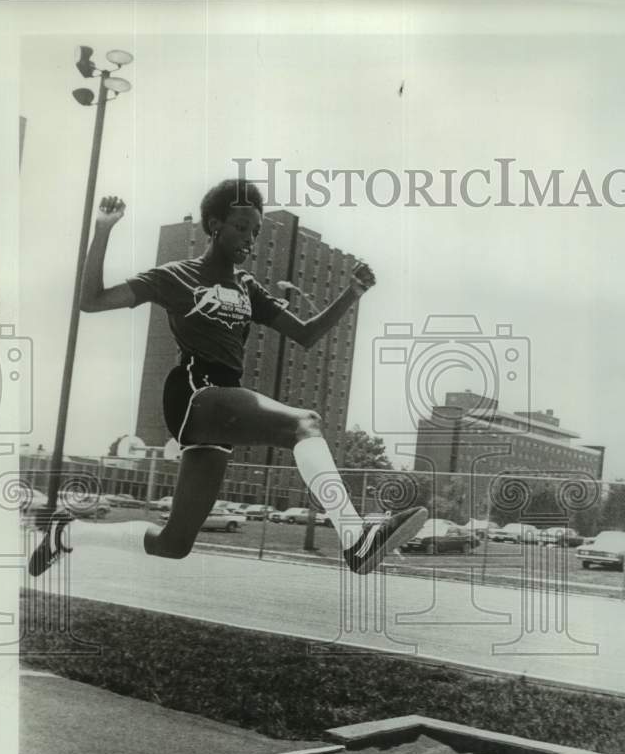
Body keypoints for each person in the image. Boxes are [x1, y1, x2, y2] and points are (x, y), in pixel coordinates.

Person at [29, 179, 426, 577]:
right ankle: (356, 539)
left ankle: (68, 533)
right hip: (193, 392)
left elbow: (306, 334)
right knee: (304, 423)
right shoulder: (177, 276)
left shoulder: (247, 286)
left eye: (256, 231)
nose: (250, 239)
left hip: (221, 404)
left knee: (174, 544)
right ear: (215, 224)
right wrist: (103, 229)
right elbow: (91, 301)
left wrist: (352, 293)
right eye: (241, 228)